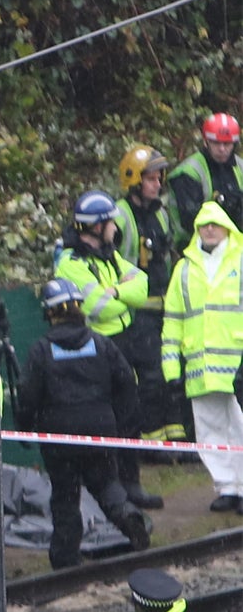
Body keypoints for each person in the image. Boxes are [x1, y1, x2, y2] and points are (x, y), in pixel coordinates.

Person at [14, 278, 152, 570]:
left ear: (49, 314)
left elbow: (28, 396)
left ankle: (66, 558)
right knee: (105, 485)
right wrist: (121, 425)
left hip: (59, 437)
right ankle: (128, 515)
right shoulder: (101, 344)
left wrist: (25, 429)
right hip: (100, 431)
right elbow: (126, 383)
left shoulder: (41, 351)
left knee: (65, 496)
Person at [54, 189, 163, 509]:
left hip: (123, 340)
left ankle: (131, 485)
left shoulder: (108, 253)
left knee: (129, 414)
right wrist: (120, 296)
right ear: (97, 226)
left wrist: (115, 290)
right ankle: (111, 491)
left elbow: (141, 286)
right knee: (107, 421)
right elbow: (99, 308)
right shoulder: (71, 264)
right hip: (96, 346)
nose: (116, 227)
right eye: (111, 222)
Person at [161, 201, 243, 513]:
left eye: (215, 223)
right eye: (203, 225)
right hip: (198, 366)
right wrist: (171, 368)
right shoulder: (183, 269)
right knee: (209, 429)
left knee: (239, 426)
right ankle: (227, 487)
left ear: (226, 228)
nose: (209, 229)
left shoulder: (240, 261)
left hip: (235, 365)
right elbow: (173, 320)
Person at [114, 144, 188, 446]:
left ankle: (176, 437)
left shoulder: (159, 213)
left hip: (165, 310)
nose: (158, 184)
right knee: (151, 376)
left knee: (173, 372)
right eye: (152, 179)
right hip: (136, 314)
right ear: (134, 180)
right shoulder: (119, 215)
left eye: (160, 179)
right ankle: (152, 441)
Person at [169, 112, 243, 247]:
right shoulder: (189, 172)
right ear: (205, 141)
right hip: (193, 246)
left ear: (235, 144)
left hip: (234, 246)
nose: (222, 149)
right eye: (216, 143)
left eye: (227, 144)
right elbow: (190, 219)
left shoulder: (240, 167)